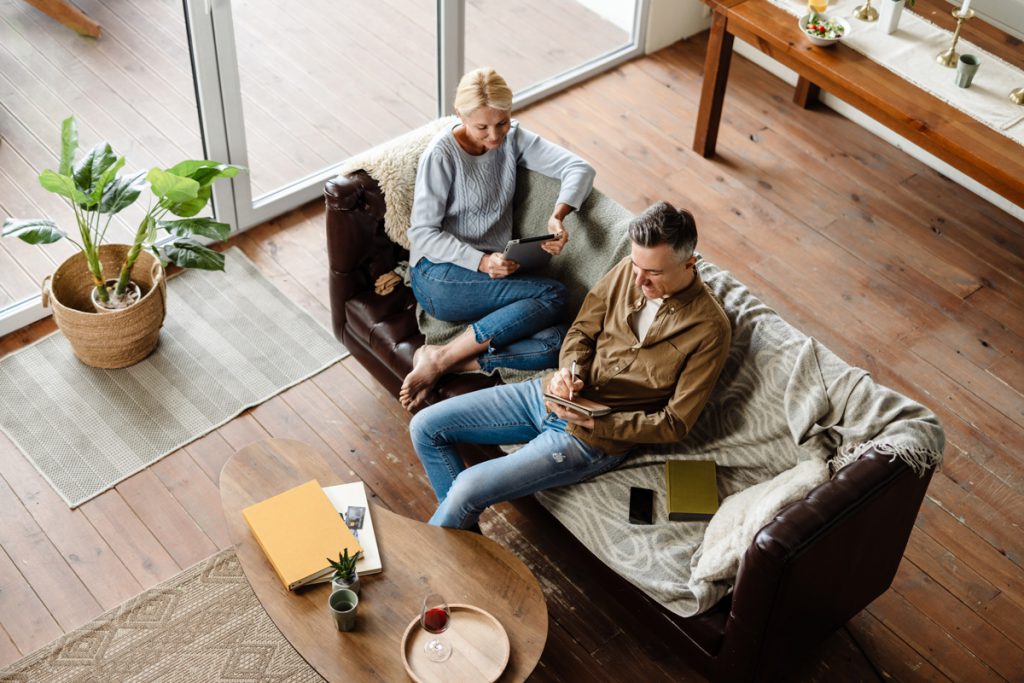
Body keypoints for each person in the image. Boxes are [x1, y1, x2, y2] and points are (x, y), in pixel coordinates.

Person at [409, 201, 732, 529]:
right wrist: (569, 372)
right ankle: (461, 548)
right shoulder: (625, 272)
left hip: (593, 438)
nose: (638, 281)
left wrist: (597, 424)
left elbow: (675, 423)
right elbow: (581, 331)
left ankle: (443, 561)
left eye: (654, 273)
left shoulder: (710, 329)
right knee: (425, 428)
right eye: (637, 266)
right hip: (550, 393)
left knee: (467, 488)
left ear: (689, 263)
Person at [399, 67, 596, 411]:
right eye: (482, 127)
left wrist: (558, 215)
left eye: (502, 122)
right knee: (553, 293)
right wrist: (481, 261)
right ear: (459, 115)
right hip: (439, 275)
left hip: (491, 274)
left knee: (557, 342)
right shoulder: (442, 155)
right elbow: (423, 234)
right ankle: (442, 356)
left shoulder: (513, 138)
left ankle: (453, 361)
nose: (495, 136)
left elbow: (579, 168)